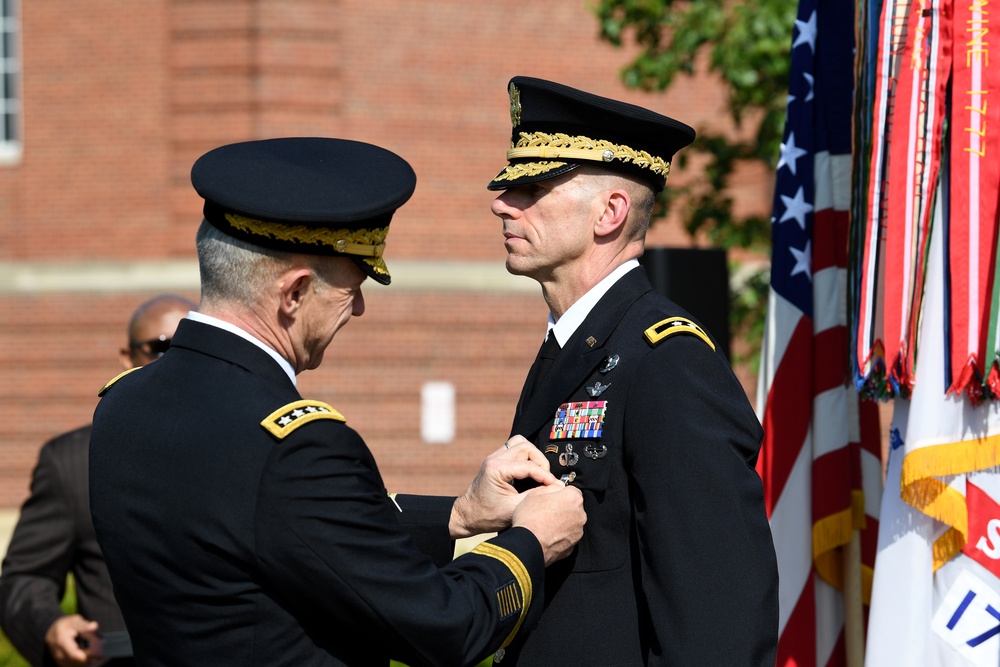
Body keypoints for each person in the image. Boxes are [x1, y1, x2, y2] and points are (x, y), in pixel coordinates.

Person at [88, 137, 586, 667]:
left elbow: (272, 531)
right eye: (352, 287)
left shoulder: (123, 403)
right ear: (294, 293)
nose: (362, 307)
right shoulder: (294, 445)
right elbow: (445, 625)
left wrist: (461, 515)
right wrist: (533, 539)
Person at [486, 76, 779, 665]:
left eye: (532, 187)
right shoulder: (575, 347)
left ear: (610, 213)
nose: (502, 202)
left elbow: (718, 621)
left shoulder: (666, 363)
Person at [0, 293, 196, 667]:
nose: (173, 362)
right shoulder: (72, 461)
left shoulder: (249, 446)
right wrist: (50, 625)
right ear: (127, 358)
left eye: (189, 348)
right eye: (160, 347)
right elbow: (25, 577)